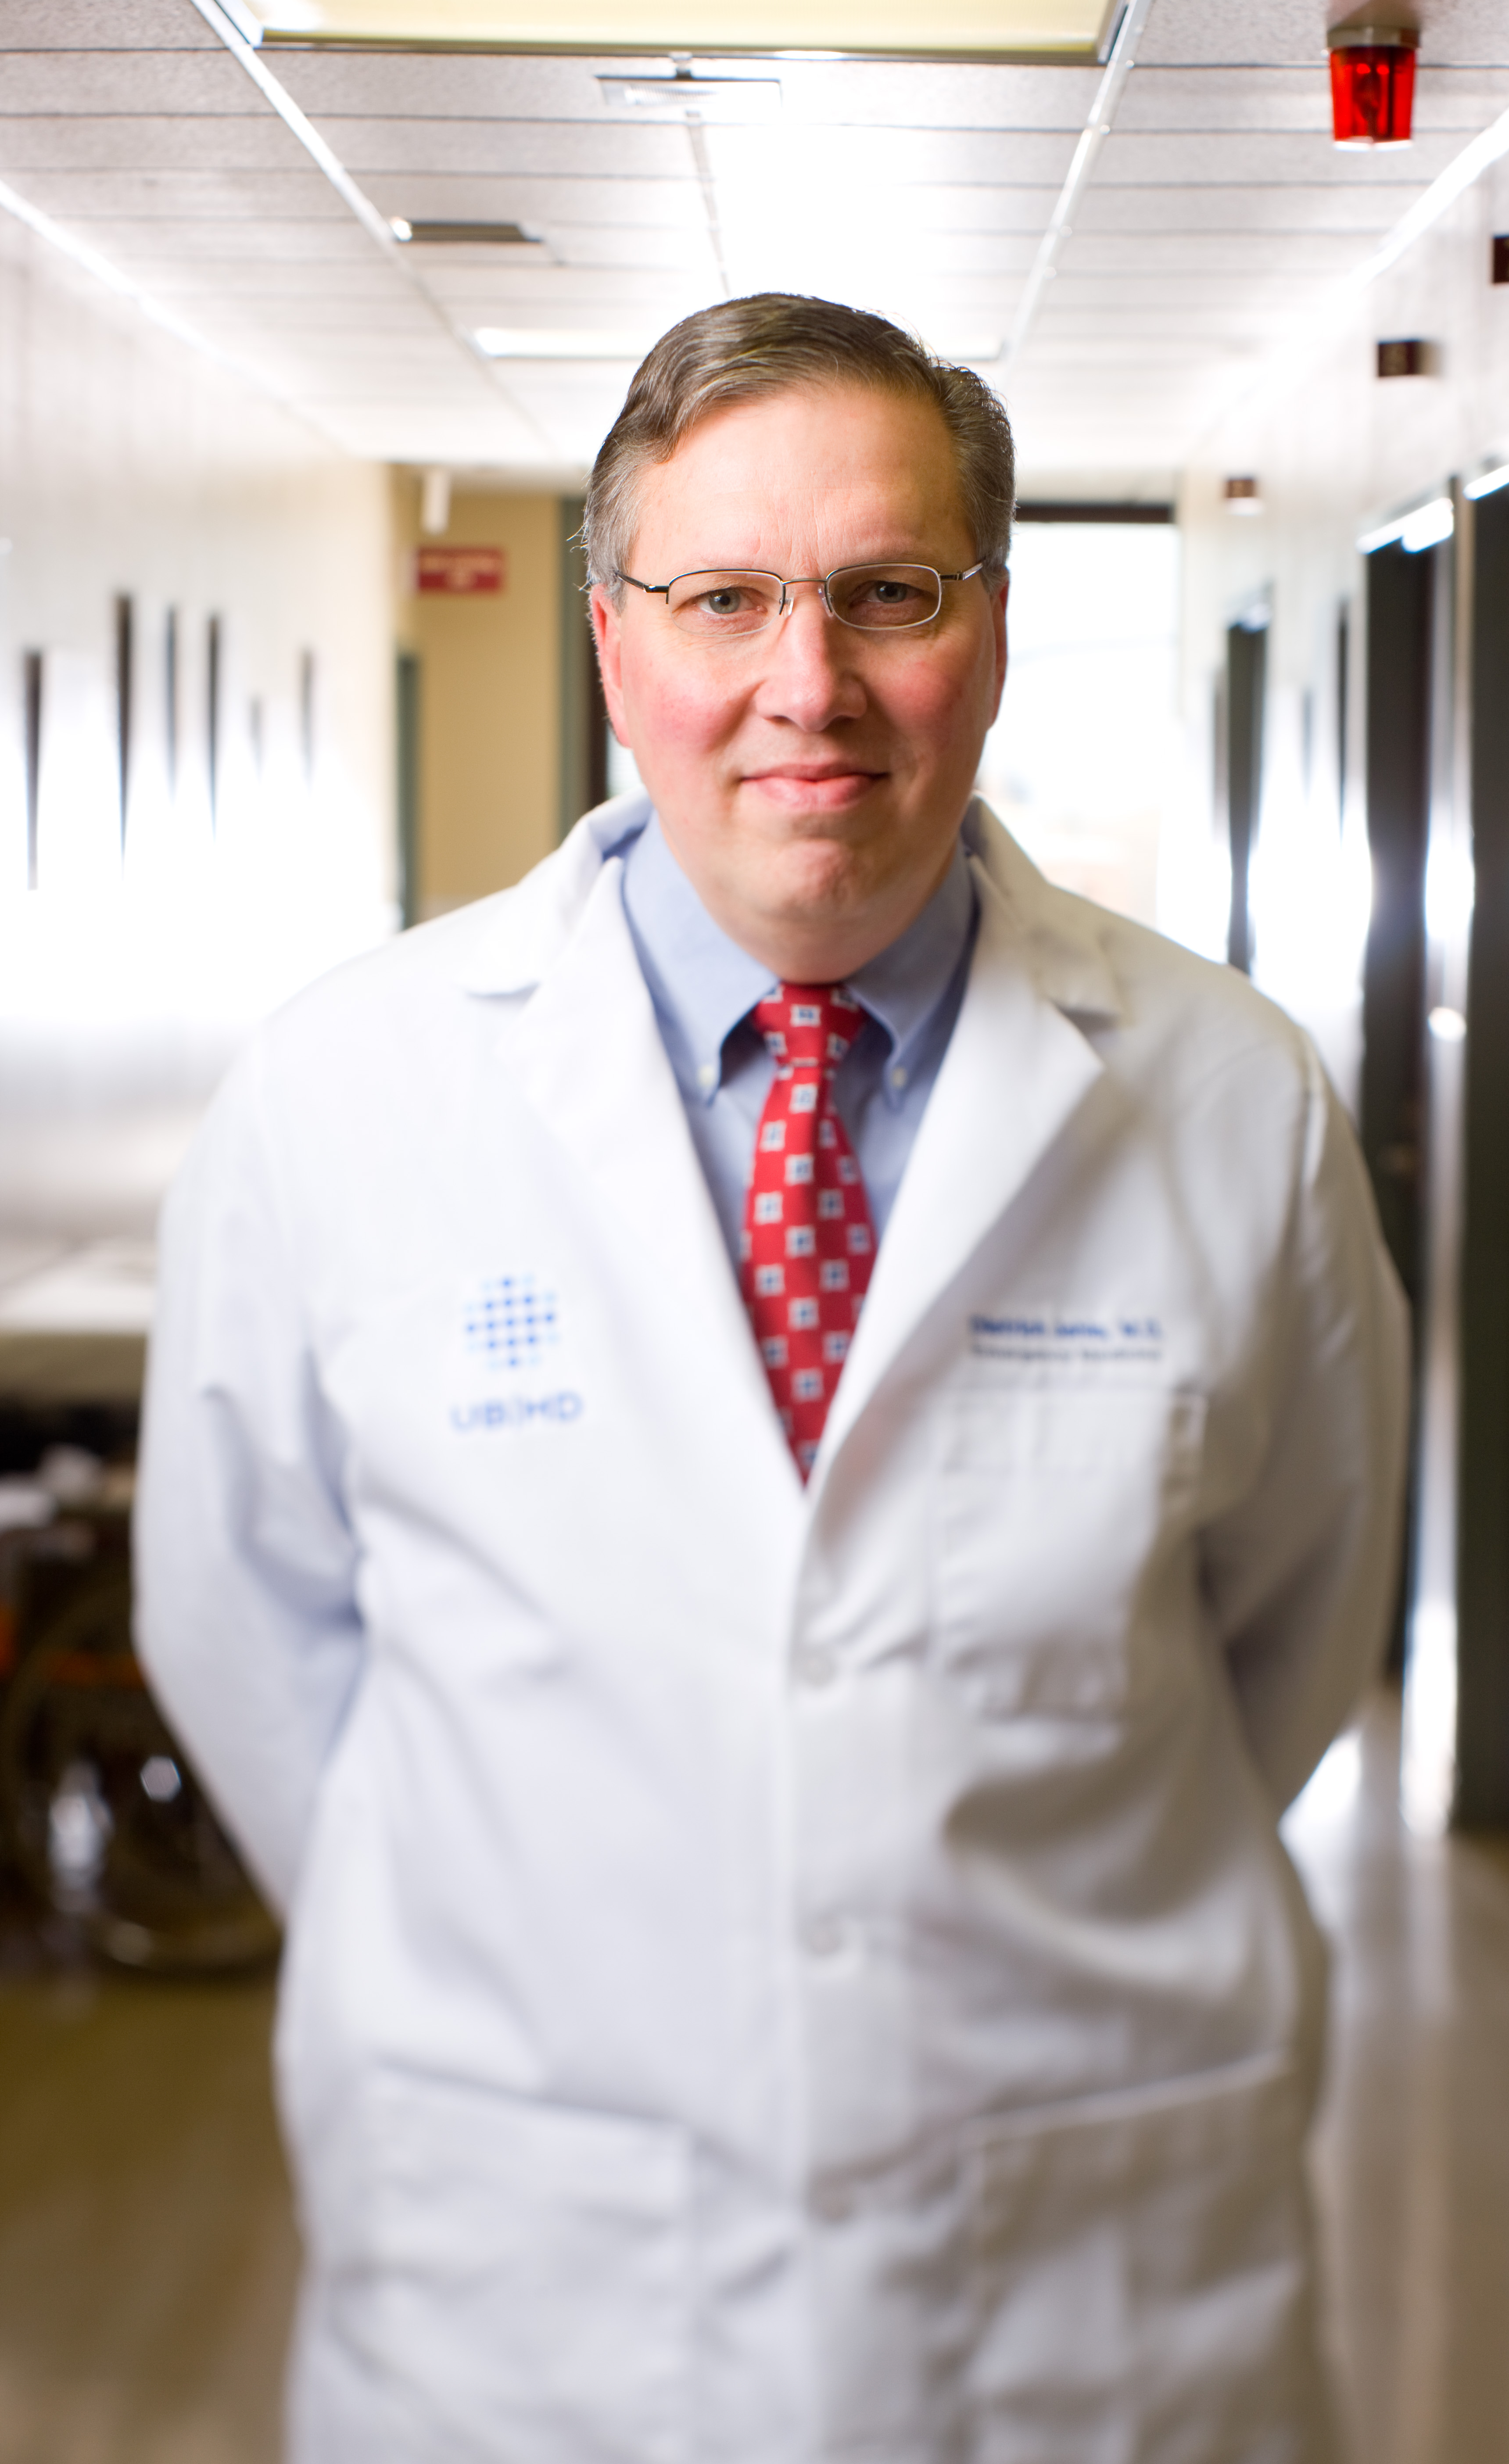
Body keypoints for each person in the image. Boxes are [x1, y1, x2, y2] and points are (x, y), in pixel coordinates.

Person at [136, 293, 1408, 2464]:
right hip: (531, 2295)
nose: (807, 684)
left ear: (988, 635)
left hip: (1096, 2299)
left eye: (889, 593)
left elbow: (1292, 1640)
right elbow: (251, 1647)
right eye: (723, 598)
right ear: (610, 640)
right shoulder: (342, 1100)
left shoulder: (1233, 1099)